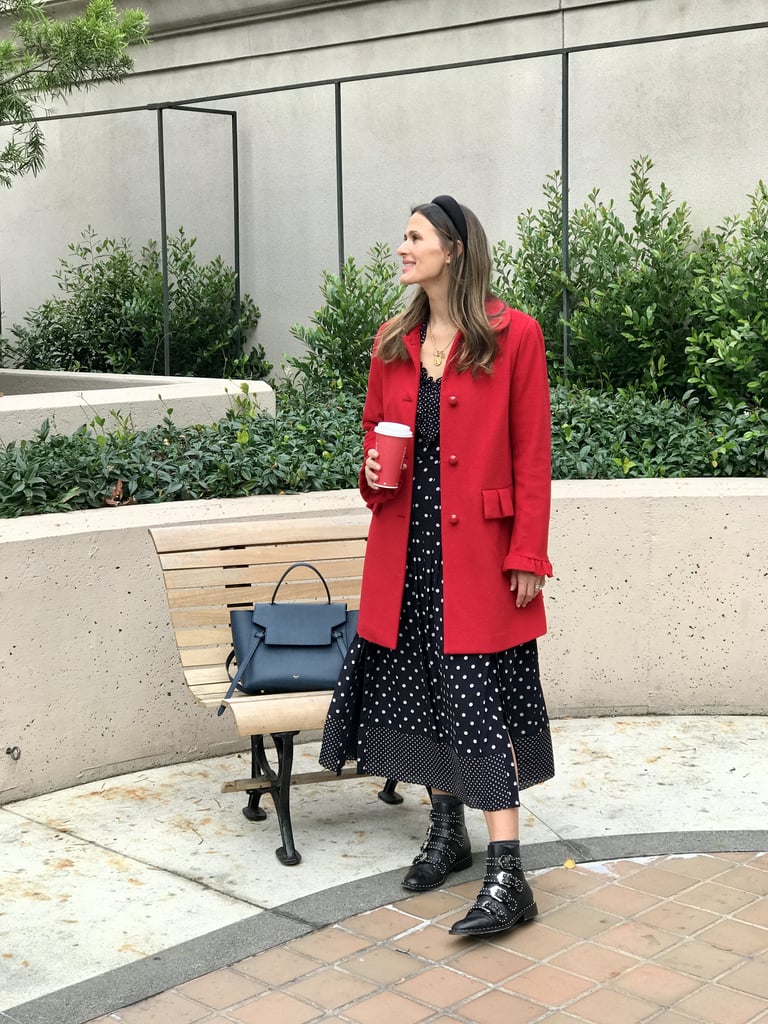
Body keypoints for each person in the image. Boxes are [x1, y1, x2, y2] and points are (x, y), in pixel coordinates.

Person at [319, 195, 554, 937]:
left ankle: (509, 873)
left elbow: (534, 453)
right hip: (406, 551)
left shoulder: (514, 336)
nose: (401, 247)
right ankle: (447, 832)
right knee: (420, 698)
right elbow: (371, 436)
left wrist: (527, 551)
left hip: (481, 558)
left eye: (414, 236)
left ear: (452, 248)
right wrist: (371, 468)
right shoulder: (392, 340)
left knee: (478, 707)